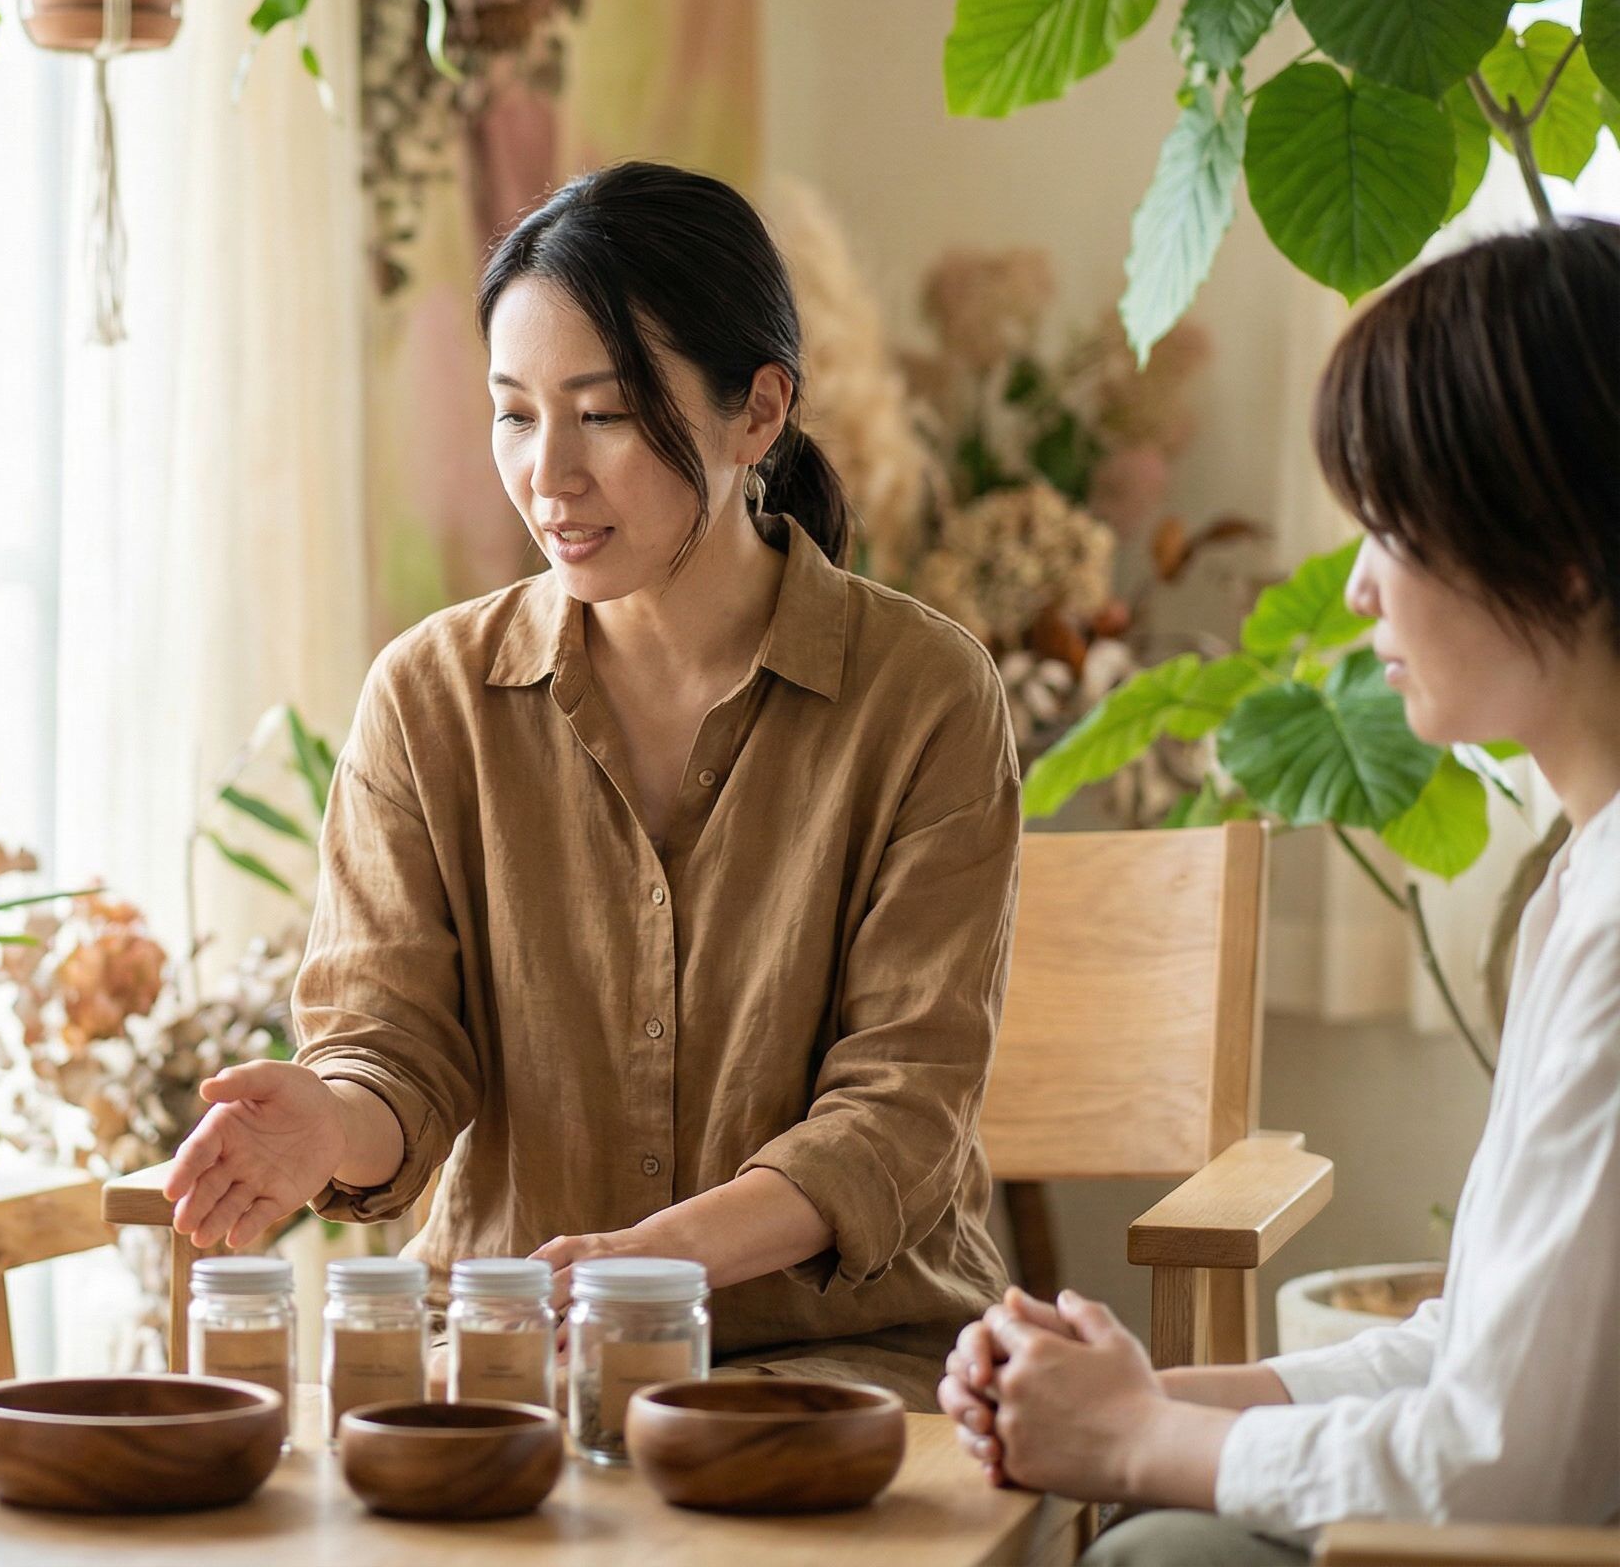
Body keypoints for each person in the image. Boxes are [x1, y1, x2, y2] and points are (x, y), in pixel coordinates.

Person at [164, 162, 1021, 1404]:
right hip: (519, 1363)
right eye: (516, 414)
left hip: (838, 1364)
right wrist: (331, 1122)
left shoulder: (927, 696)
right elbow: (396, 1047)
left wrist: (648, 1265)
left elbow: (900, 1111)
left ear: (758, 413)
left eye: (605, 414)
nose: (548, 474)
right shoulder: (430, 696)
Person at [940, 222, 1620, 1558]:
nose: (1361, 585)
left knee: (1153, 1553)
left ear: (1555, 556)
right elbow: (1489, 1355)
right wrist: (1152, 1402)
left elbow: (1497, 1465)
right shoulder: (1584, 878)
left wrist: (1142, 1443)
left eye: (1389, 527)